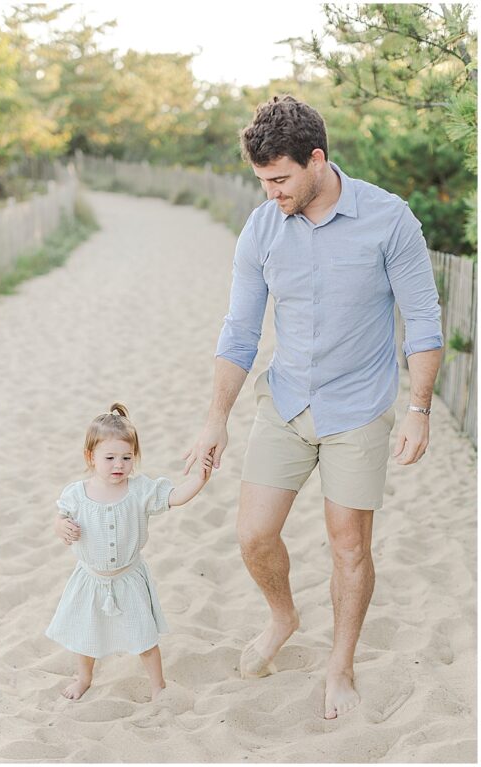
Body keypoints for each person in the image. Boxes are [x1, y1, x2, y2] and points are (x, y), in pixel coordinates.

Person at [184, 96, 443, 719]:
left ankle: (340, 668)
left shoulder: (389, 218)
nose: (271, 192)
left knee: (348, 545)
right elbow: (240, 330)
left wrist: (419, 408)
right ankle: (283, 616)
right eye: (262, 181)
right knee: (253, 534)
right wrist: (215, 417)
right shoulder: (262, 227)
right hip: (287, 399)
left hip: (359, 407)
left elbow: (425, 321)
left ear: (317, 160)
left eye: (281, 179)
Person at [47, 403, 212, 701]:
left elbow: (174, 497)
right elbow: (60, 517)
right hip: (90, 580)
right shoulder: (77, 494)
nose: (118, 465)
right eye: (109, 458)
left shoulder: (140, 490)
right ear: (91, 457)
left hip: (129, 578)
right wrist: (61, 526)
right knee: (86, 638)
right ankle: (84, 678)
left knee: (145, 639)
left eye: (126, 457)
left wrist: (198, 480)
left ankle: (157, 686)